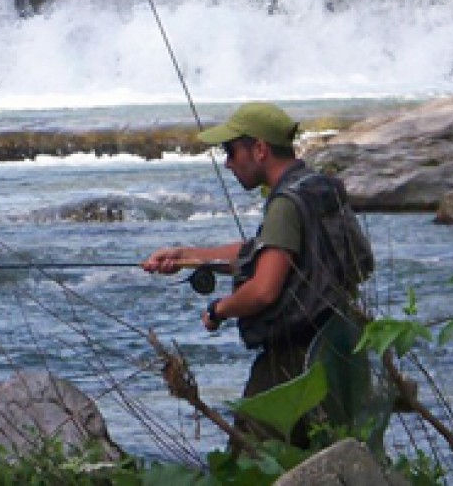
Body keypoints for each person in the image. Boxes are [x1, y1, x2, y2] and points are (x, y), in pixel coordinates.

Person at [141, 101, 375, 451]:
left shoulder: (285, 204)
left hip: (294, 360)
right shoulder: (317, 187)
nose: (228, 162)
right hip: (339, 347)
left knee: (250, 459)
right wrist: (186, 255)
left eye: (231, 151)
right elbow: (263, 251)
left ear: (260, 149)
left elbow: (264, 290)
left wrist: (219, 309)